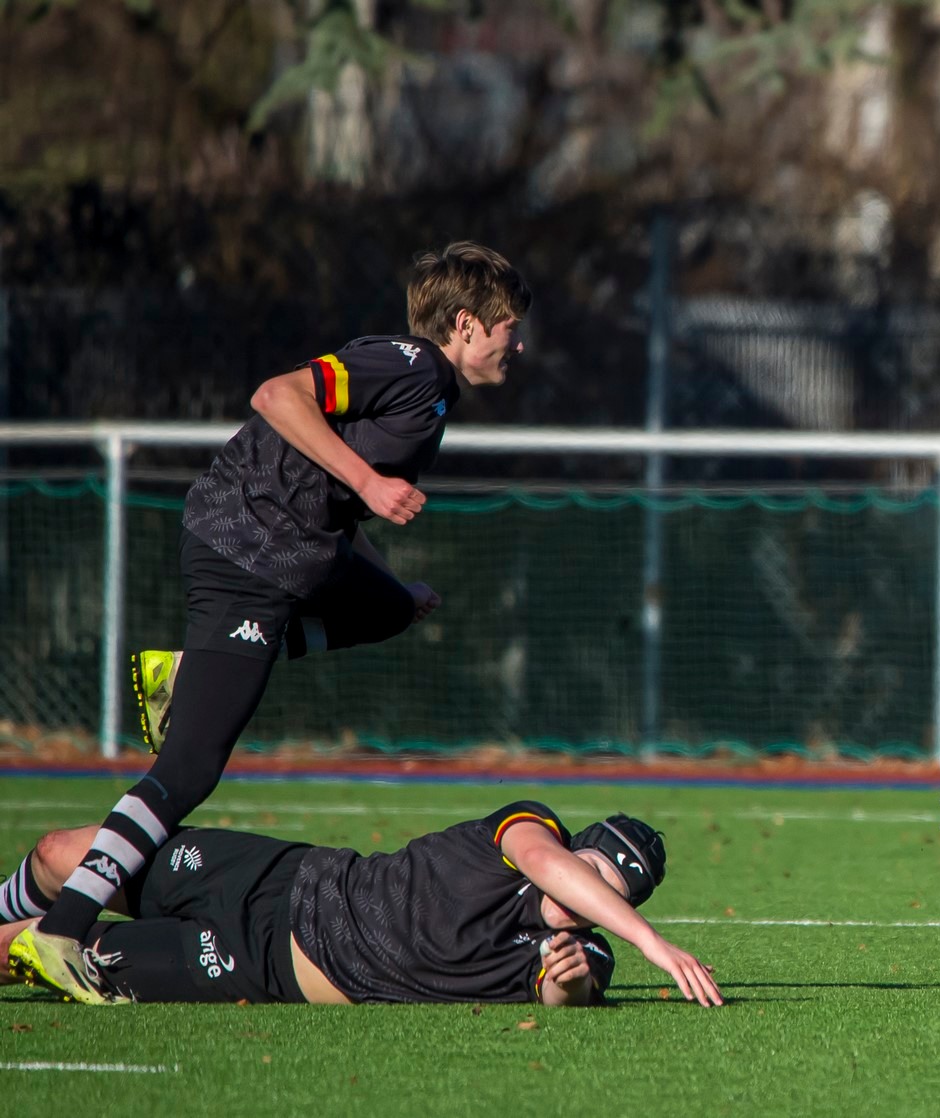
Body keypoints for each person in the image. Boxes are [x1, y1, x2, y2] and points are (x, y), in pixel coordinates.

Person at [2, 242, 531, 1001]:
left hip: (282, 553)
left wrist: (387, 573)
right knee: (187, 770)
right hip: (247, 551)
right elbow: (278, 395)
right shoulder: (410, 364)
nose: (519, 342)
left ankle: (192, 668)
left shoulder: (432, 390)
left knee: (389, 607)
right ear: (466, 324)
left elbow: (336, 501)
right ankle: (61, 930)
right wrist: (370, 483)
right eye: (511, 325)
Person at [1, 802, 723, 1008]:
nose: (590, 903)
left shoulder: (588, 949)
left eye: (612, 900)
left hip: (264, 968)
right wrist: (655, 943)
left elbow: (567, 991)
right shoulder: (528, 833)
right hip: (276, 875)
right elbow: (546, 860)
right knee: (63, 853)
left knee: (30, 952)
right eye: (594, 874)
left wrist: (565, 983)